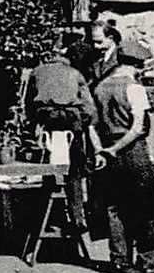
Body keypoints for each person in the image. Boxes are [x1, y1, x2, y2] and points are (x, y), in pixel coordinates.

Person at [88, 21, 154, 273]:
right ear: (138, 64)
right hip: (132, 152)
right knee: (146, 206)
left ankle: (119, 259)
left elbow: (91, 125)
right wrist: (117, 148)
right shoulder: (135, 88)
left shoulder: (99, 88)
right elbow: (138, 128)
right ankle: (148, 260)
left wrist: (101, 150)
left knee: (114, 207)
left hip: (107, 151)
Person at [23, 45, 98, 232]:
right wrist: (85, 123)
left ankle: (46, 216)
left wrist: (33, 124)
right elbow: (89, 107)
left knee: (45, 166)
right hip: (71, 120)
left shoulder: (37, 72)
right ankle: (77, 216)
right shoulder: (75, 73)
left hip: (46, 119)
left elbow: (27, 102)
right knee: (74, 170)